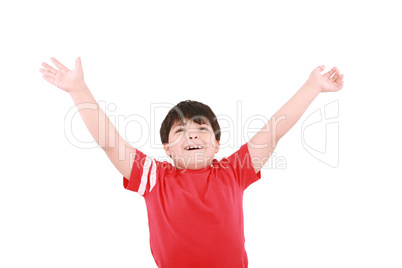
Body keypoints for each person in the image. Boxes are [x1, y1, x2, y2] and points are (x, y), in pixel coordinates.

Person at [39, 57, 344, 267]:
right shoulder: (154, 176)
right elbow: (109, 142)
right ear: (167, 148)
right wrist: (78, 90)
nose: (192, 134)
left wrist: (312, 86)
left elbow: (274, 130)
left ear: (216, 144)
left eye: (201, 128)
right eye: (181, 130)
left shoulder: (232, 172)